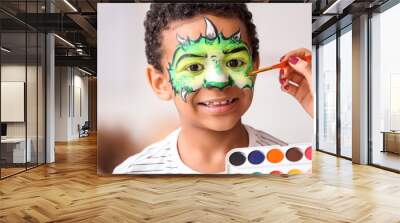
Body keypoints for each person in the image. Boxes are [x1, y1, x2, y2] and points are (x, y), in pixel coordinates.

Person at [113, 3, 313, 174]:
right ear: (160, 83)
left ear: (254, 66)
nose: (219, 81)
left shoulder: (294, 164)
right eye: (193, 67)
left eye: (234, 62)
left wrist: (320, 111)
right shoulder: (132, 173)